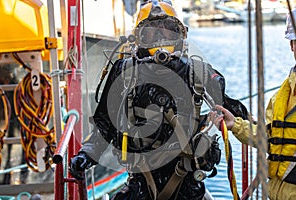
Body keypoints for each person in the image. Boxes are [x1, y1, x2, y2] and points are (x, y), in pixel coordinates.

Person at [69, 0, 248, 199]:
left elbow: (232, 112)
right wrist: (87, 154)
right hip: (140, 182)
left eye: (168, 31)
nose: (161, 38)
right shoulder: (125, 72)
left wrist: (260, 130)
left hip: (188, 184)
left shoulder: (195, 71)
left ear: (181, 35)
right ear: (138, 38)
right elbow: (105, 125)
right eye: (152, 33)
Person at [209, 9, 296, 200]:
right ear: (291, 45)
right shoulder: (283, 95)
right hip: (277, 192)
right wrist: (235, 125)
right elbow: (271, 138)